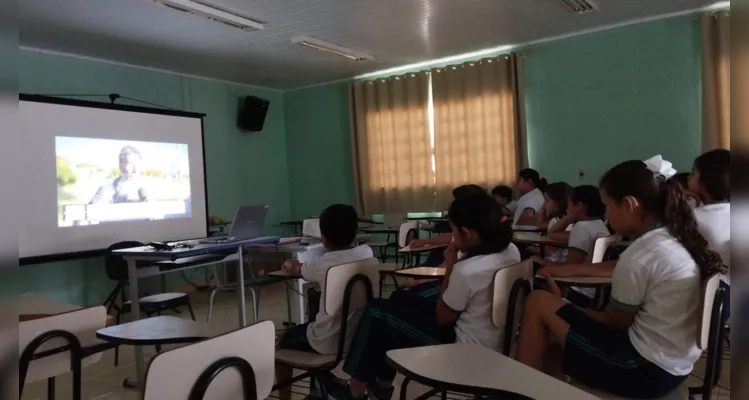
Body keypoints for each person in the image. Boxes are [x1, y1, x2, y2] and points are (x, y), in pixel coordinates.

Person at [518, 158, 726, 399]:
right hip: (674, 365)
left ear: (629, 204)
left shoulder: (642, 254)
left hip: (640, 369)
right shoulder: (673, 237)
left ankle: (518, 393)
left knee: (537, 301)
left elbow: (612, 322)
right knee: (553, 347)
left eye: (607, 206)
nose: (606, 214)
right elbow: (623, 269)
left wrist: (565, 305)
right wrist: (565, 278)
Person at [317, 194, 521, 400]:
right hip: (495, 343)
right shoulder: (511, 250)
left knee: (377, 311)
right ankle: (381, 386)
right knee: (399, 301)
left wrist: (451, 265)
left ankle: (356, 392)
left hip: (464, 353)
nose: (452, 236)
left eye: (453, 230)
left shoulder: (467, 271)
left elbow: (443, 316)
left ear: (467, 234)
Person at [276, 204, 374, 354]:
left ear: (323, 238)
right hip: (359, 336)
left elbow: (296, 269)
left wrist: (290, 264)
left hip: (326, 340)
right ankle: (324, 377)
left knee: (279, 342)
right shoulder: (367, 253)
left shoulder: (324, 263)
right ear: (355, 232)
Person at [534, 185, 610, 307]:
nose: (566, 209)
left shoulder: (582, 227)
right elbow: (553, 234)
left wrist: (541, 262)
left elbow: (568, 267)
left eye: (569, 205)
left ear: (579, 206)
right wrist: (569, 218)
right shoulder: (599, 224)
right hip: (596, 291)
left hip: (578, 293)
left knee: (533, 276)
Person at [688, 148, 730, 315]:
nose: (688, 177)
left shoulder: (694, 218)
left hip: (717, 298)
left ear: (705, 181)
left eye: (693, 172)